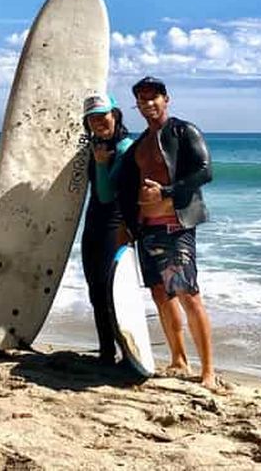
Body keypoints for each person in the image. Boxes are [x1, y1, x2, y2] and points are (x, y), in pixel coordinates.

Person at [116, 76, 216, 389]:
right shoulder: (138, 145)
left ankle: (208, 372)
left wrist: (168, 191)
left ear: (165, 99)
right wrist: (127, 224)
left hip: (176, 228)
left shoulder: (183, 131)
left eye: (153, 97)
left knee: (189, 295)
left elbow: (205, 171)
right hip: (147, 230)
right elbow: (125, 187)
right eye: (141, 99)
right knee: (161, 296)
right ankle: (178, 360)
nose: (147, 103)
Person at [80, 92, 133, 365]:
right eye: (92, 118)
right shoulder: (95, 144)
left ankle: (126, 351)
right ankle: (106, 350)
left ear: (115, 115)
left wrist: (100, 164)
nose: (99, 122)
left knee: (110, 290)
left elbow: (106, 194)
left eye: (104, 116)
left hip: (113, 224)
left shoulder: (124, 148)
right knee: (95, 290)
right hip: (93, 225)